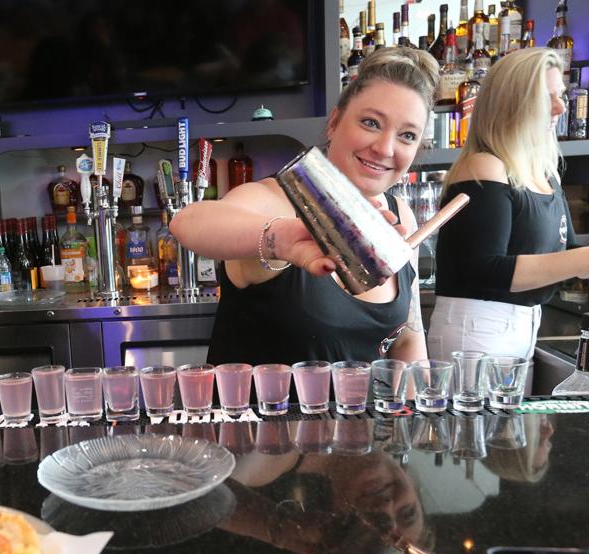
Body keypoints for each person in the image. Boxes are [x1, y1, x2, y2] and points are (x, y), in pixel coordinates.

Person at [170, 46, 438, 366]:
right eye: (370, 122)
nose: (384, 148)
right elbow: (189, 221)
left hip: (360, 416)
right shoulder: (277, 201)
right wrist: (282, 239)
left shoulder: (400, 214)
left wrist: (417, 410)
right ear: (335, 123)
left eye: (407, 135)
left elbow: (408, 338)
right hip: (257, 416)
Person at [428, 48, 587, 361]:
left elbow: (565, 251)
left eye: (561, 96)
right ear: (511, 103)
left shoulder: (545, 172)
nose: (559, 107)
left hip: (524, 324)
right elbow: (484, 268)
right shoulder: (485, 166)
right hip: (476, 327)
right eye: (546, 97)